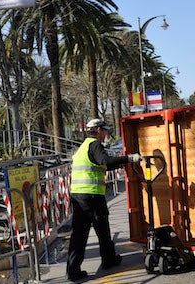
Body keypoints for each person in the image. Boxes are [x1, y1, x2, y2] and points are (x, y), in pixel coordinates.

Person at [66, 118, 142, 282]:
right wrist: (128, 158)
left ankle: (73, 271)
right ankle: (108, 260)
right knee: (103, 229)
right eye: (105, 130)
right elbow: (105, 161)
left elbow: (101, 165)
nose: (106, 133)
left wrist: (120, 164)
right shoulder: (95, 145)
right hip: (92, 197)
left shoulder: (83, 147)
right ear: (98, 130)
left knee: (79, 235)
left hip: (78, 196)